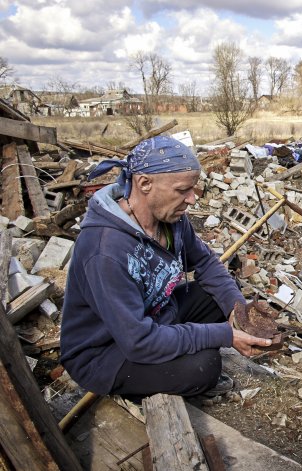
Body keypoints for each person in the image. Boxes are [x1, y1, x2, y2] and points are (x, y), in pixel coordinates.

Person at [60, 136, 272, 398]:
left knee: (222, 295)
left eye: (193, 189)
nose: (192, 199)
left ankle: (176, 348)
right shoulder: (105, 250)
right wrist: (224, 335)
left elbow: (205, 262)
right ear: (144, 183)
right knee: (204, 366)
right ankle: (137, 389)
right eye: (183, 190)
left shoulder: (171, 219)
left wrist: (240, 315)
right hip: (109, 351)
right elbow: (138, 341)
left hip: (158, 315)